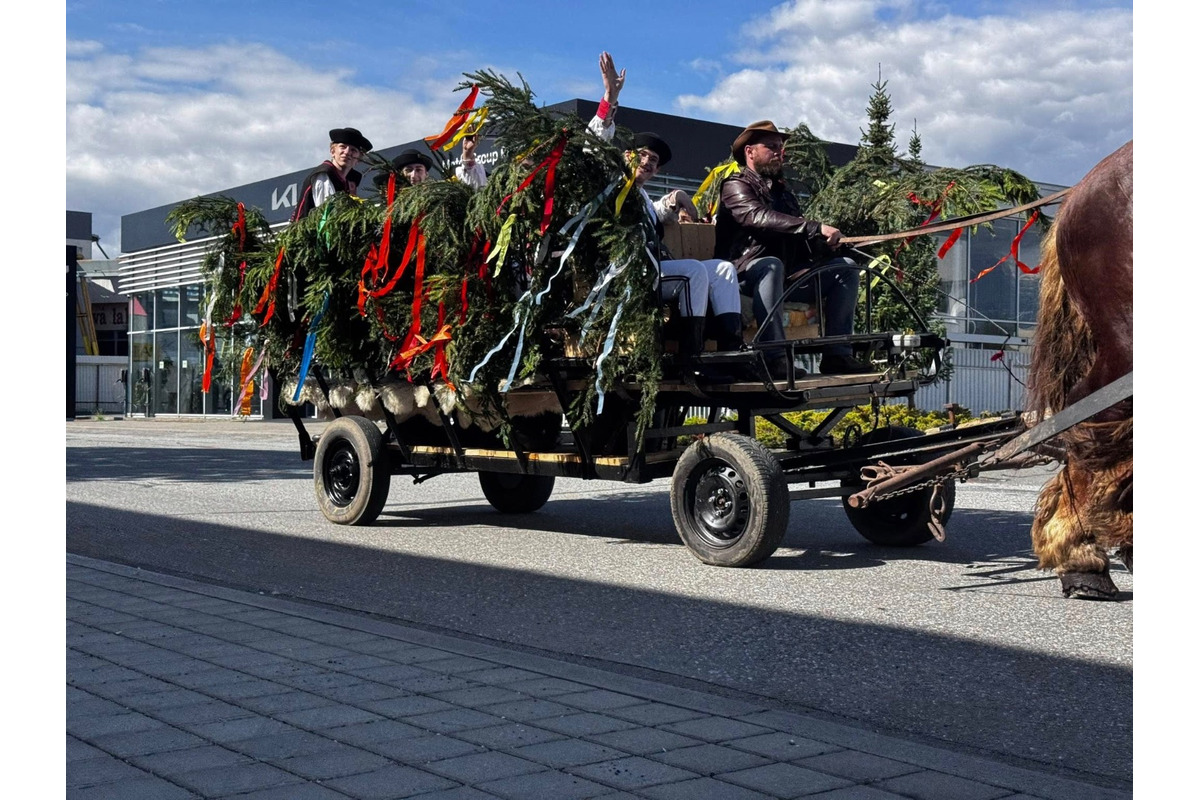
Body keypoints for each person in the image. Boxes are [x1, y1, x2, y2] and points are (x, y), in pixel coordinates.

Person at [587, 52, 745, 372]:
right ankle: (691, 358)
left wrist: (678, 197)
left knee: (723, 269)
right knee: (693, 271)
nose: (647, 162)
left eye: (654, 161)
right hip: (624, 276)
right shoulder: (610, 184)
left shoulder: (643, 197)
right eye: (643, 155)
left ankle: (733, 350)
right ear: (627, 156)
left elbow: (657, 212)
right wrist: (610, 97)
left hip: (653, 273)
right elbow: (592, 149)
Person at [715, 120, 872, 376]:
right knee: (770, 265)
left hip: (786, 278)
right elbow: (757, 217)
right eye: (771, 146)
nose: (779, 152)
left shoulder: (784, 194)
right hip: (742, 276)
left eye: (780, 147)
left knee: (846, 268)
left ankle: (838, 355)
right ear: (750, 151)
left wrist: (828, 245)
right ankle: (774, 357)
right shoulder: (735, 185)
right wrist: (815, 227)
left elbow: (797, 237)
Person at [292, 127, 372, 221]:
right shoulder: (324, 175)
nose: (347, 152)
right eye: (343, 147)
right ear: (333, 151)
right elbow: (325, 216)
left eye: (353, 150)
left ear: (359, 159)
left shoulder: (350, 182)